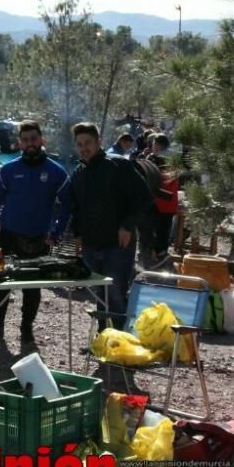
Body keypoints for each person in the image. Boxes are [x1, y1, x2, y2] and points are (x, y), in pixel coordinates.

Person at [0, 120, 70, 350]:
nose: (30, 144)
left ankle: (26, 329)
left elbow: (68, 206)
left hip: (38, 241)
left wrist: (57, 232)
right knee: (0, 282)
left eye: (34, 139)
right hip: (5, 240)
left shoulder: (56, 172)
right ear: (19, 143)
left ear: (42, 140)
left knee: (32, 288)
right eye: (25, 140)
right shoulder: (9, 170)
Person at [66, 122, 153, 331]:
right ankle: (104, 338)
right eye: (79, 144)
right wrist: (77, 234)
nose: (84, 147)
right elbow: (75, 207)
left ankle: (123, 342)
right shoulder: (79, 172)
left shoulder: (118, 166)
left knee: (116, 295)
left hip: (118, 245)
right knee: (99, 294)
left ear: (98, 142)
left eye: (88, 142)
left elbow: (144, 198)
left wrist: (128, 225)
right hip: (90, 245)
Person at [146, 133, 179, 265]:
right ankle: (152, 254)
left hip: (165, 202)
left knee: (163, 232)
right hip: (153, 202)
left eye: (154, 144)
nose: (152, 146)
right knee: (150, 230)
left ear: (158, 145)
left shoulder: (171, 160)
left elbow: (169, 179)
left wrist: (153, 176)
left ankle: (161, 256)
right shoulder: (151, 158)